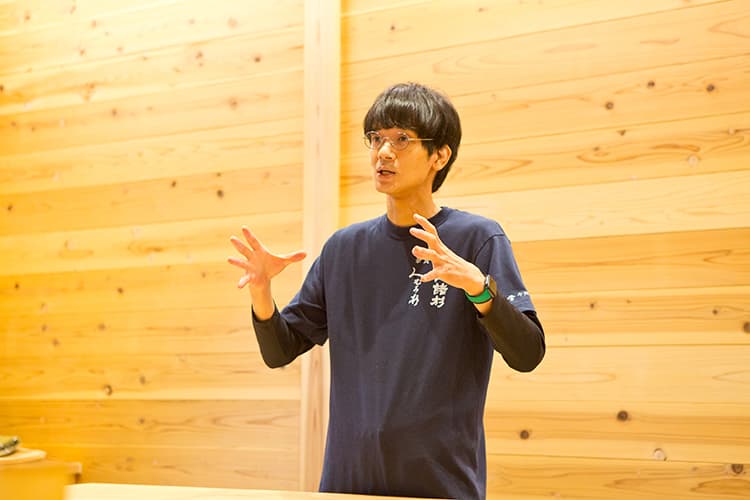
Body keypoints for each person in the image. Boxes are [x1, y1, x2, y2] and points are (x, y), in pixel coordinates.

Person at [228, 82, 545, 500]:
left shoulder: (477, 239)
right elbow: (280, 350)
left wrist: (477, 288)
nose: (383, 152)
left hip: (441, 484)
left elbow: (527, 353)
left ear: (440, 155)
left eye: (402, 139)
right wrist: (261, 292)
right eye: (376, 138)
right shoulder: (343, 249)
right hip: (347, 483)